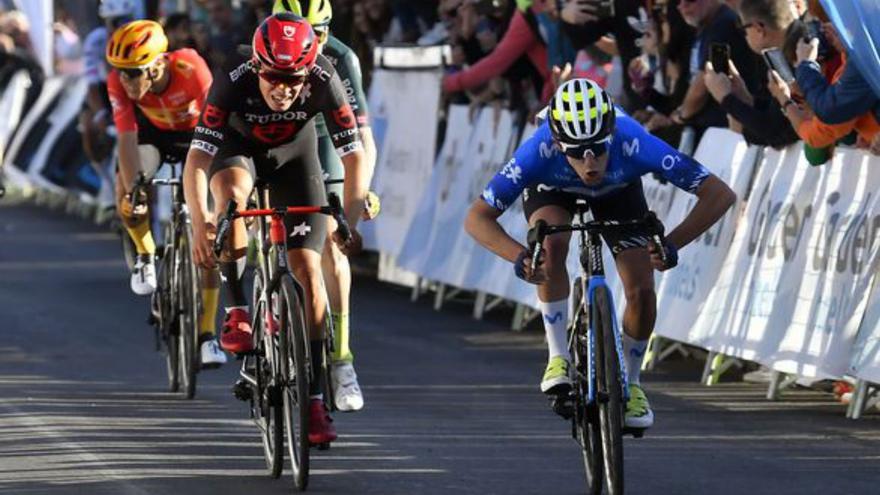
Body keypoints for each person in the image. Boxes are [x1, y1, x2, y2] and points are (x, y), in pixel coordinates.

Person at [464, 78, 736, 429]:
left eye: (597, 147)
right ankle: (558, 356)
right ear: (558, 143)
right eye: (577, 152)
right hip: (553, 190)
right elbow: (476, 218)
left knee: (640, 288)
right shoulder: (538, 149)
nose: (590, 162)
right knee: (550, 246)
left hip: (618, 191)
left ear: (611, 134)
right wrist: (521, 256)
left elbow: (720, 194)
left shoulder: (634, 141)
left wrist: (671, 244)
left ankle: (633, 384)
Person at [183, 13, 369, 445]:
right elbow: (196, 160)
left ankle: (318, 400)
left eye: (294, 80)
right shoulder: (233, 78)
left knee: (308, 272)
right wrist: (200, 223)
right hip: (238, 152)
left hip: (294, 159)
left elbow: (355, 157)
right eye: (274, 78)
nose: (283, 90)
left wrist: (349, 224)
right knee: (232, 200)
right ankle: (238, 312)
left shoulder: (325, 78)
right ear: (258, 67)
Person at [272, 0, 378, 412]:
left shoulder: (340, 58)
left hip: (328, 139)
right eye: (303, 31)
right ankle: (272, 297)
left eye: (319, 33)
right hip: (278, 137)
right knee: (268, 221)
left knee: (334, 242)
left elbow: (362, 140)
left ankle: (341, 359)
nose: (312, 43)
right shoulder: (265, 52)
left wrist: (363, 189)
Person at [105, 20, 227, 368]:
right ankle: (145, 255)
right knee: (126, 187)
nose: (126, 81)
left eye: (134, 73)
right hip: (152, 137)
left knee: (206, 233)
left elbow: (216, 137)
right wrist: (134, 191)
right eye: (120, 73)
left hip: (197, 139)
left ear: (158, 64)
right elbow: (127, 141)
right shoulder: (119, 83)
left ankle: (207, 335)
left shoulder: (192, 69)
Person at [703, 0, 799, 148]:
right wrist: (746, 98)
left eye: (743, 30)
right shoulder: (786, 51)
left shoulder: (795, 56)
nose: (745, 37)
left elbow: (777, 133)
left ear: (758, 28)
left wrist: (726, 99)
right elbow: (777, 115)